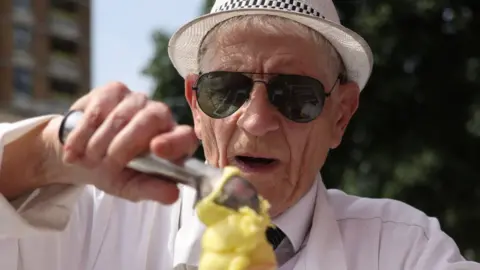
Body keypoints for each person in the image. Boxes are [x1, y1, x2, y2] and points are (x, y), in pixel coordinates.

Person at [0, 0, 478, 269]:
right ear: (193, 102)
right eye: (225, 90)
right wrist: (50, 152)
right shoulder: (93, 219)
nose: (254, 121)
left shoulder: (403, 251)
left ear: (341, 115)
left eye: (296, 97)